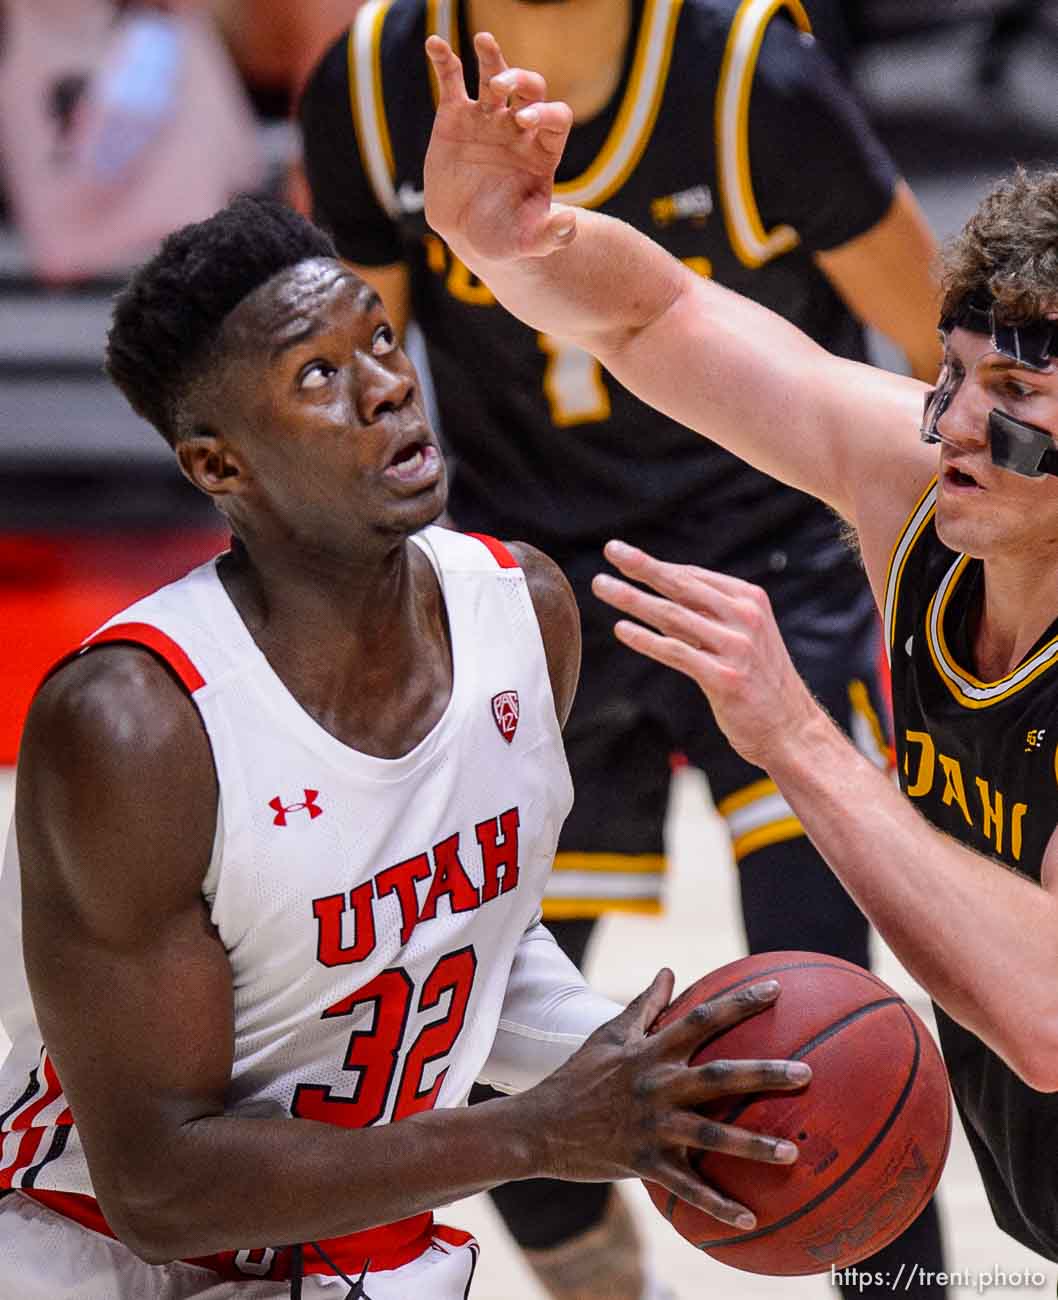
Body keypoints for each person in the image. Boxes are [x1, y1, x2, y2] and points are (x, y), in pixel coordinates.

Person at [0, 195, 814, 1299]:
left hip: (366, 1247)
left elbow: (467, 946)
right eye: (317, 376)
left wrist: (648, 1066)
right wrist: (532, 1136)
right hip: (91, 1253)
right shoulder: (135, 726)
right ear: (217, 466)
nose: (385, 383)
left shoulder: (522, 611)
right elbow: (159, 1188)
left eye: (378, 338)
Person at [297, 2, 945, 1295]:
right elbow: (338, 399)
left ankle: (901, 1286)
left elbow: (939, 349)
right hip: (536, 591)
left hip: (766, 569)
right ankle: (596, 1277)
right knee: (490, 1057)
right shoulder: (373, 80)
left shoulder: (752, 68)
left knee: (831, 1037)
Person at [421, 30, 1058, 1268]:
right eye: (952, 373)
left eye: (1016, 397)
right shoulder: (925, 487)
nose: (958, 425)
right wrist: (513, 242)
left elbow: (1042, 1015)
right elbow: (657, 311)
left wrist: (796, 739)